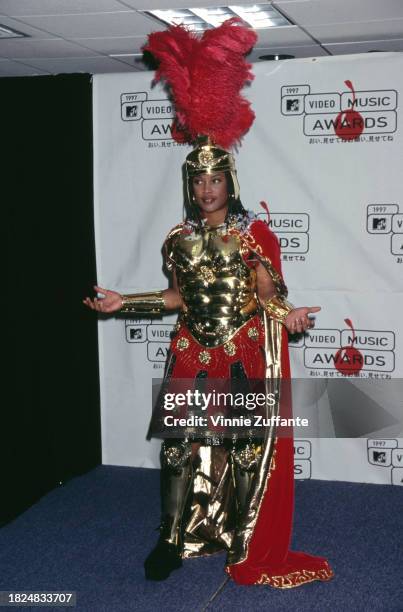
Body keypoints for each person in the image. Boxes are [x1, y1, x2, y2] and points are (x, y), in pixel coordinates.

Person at [83, 19, 334, 588]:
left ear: (229, 179)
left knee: (246, 452)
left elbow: (271, 296)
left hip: (244, 351)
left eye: (215, 178)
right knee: (179, 451)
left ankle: (242, 545)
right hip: (192, 351)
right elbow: (175, 295)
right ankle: (171, 540)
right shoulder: (177, 239)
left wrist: (288, 317)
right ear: (189, 186)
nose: (206, 188)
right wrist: (124, 302)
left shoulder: (255, 235)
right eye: (197, 181)